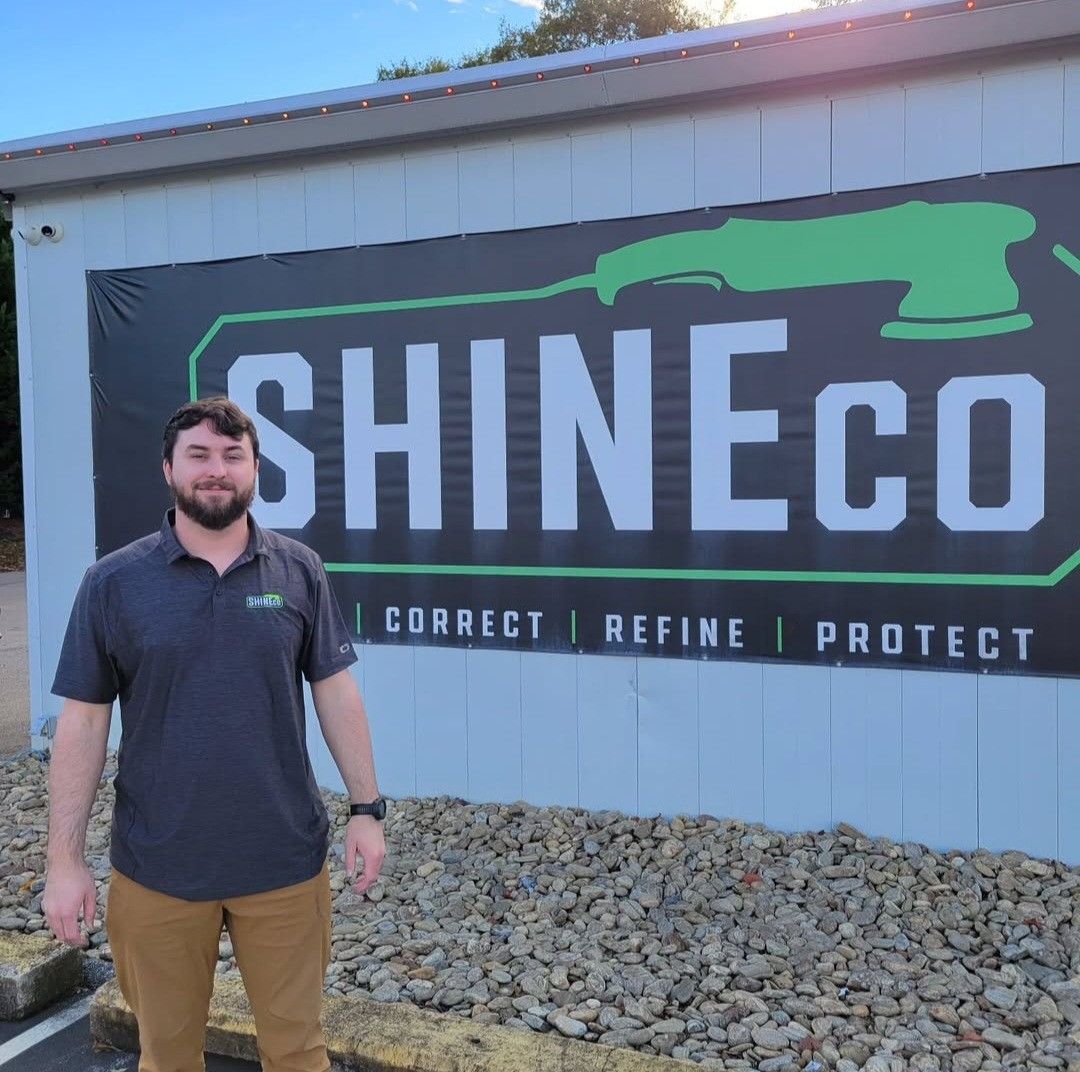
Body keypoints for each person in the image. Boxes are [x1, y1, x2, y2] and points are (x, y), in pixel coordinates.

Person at [42, 396, 385, 1072]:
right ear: (169, 469)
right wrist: (64, 861)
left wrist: (366, 810)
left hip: (283, 862)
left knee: (298, 1051)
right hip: (158, 867)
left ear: (255, 470)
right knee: (167, 1055)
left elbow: (335, 690)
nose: (216, 470)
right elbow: (83, 720)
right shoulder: (113, 583)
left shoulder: (299, 571)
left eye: (233, 456)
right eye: (199, 455)